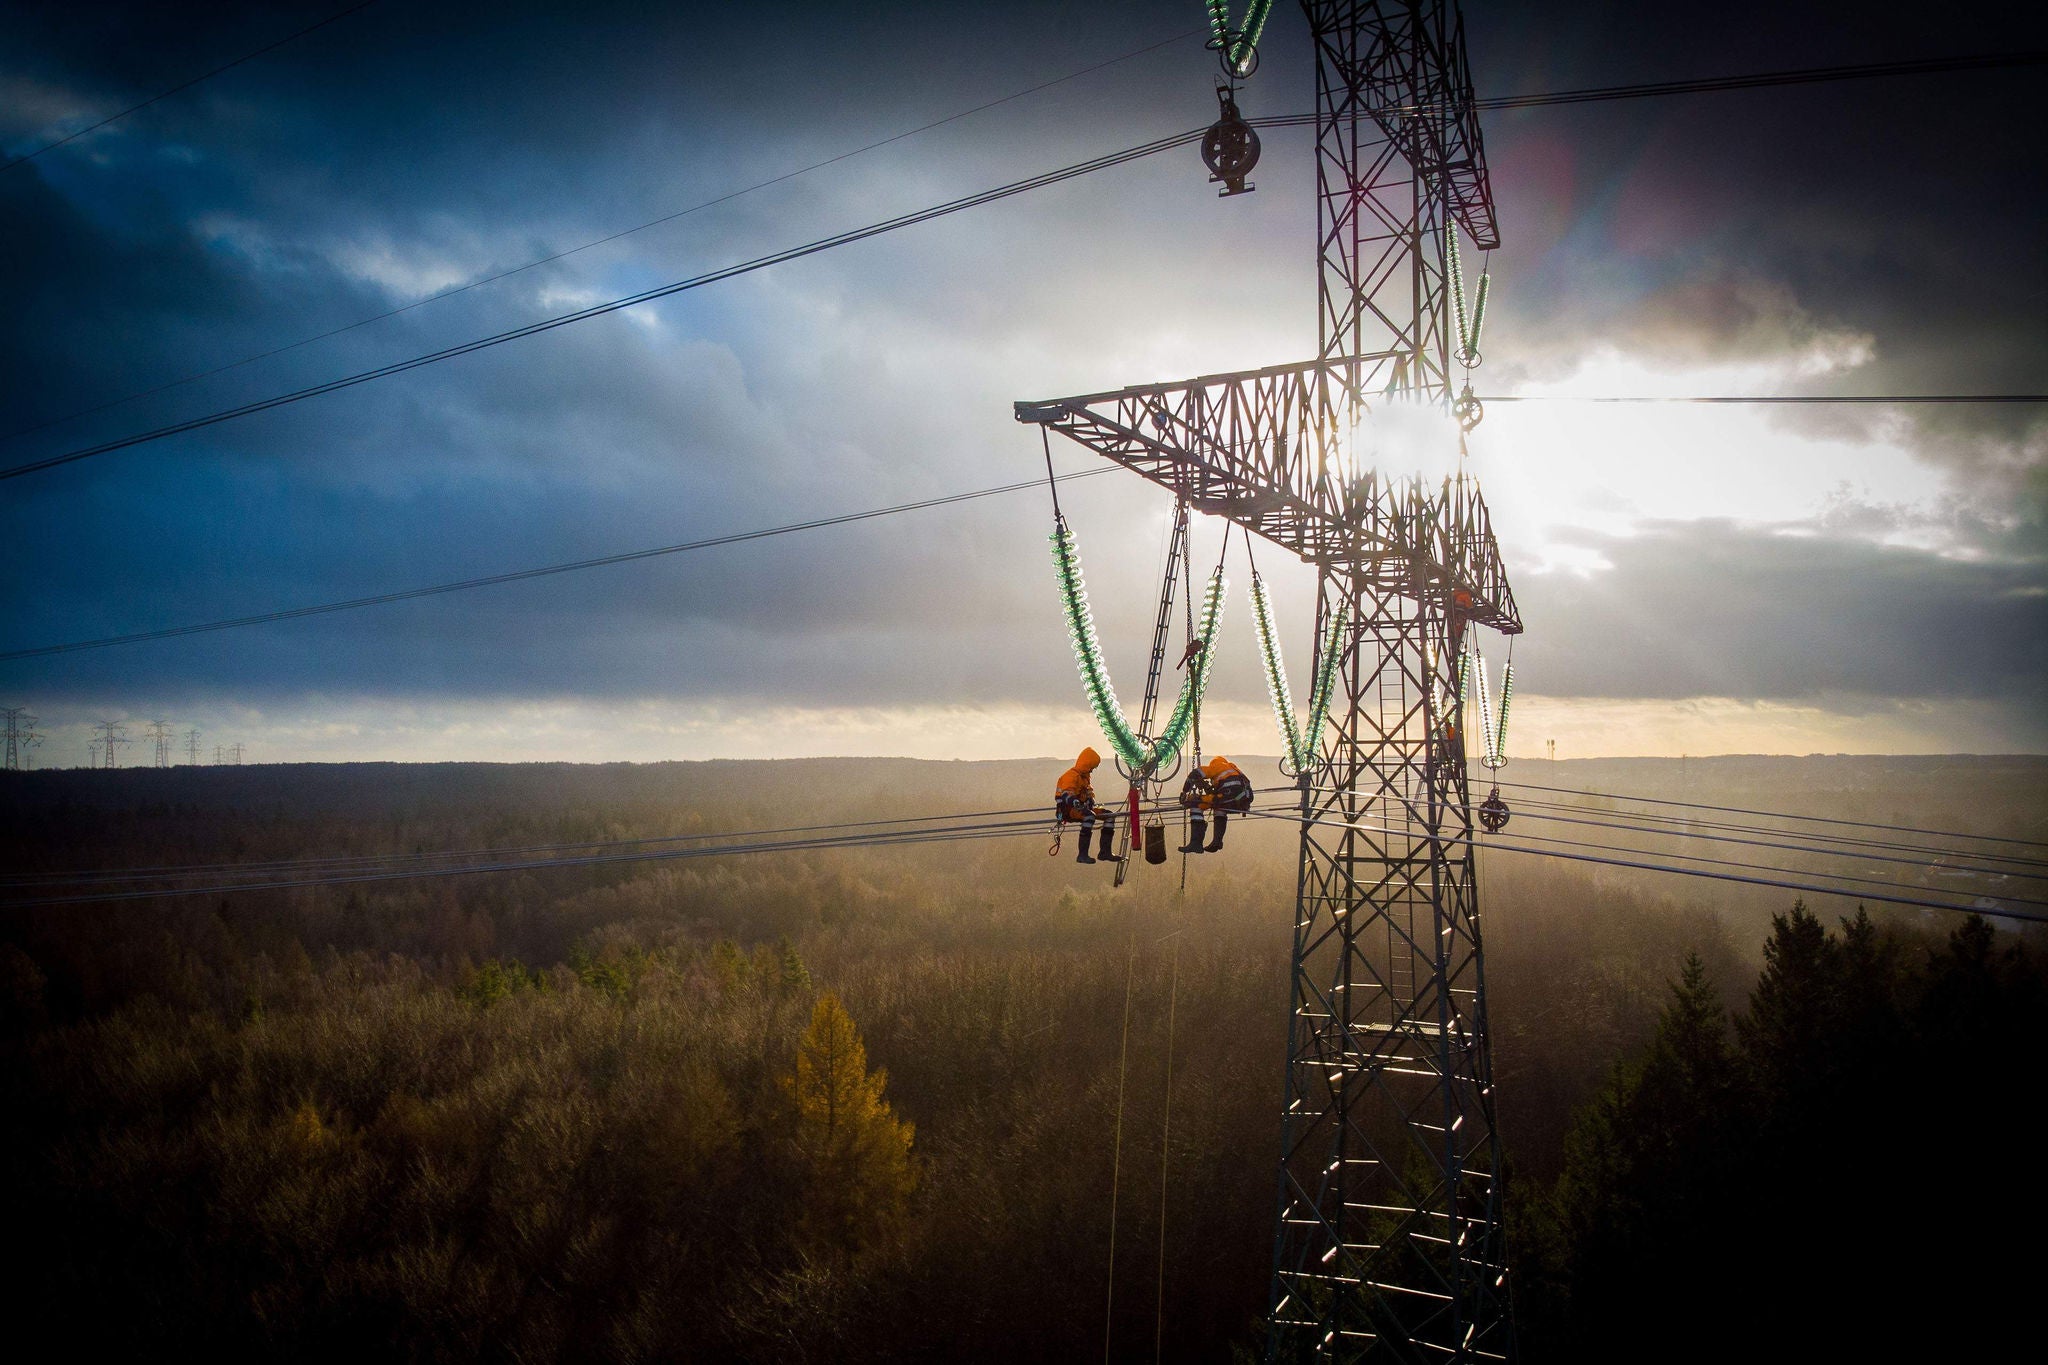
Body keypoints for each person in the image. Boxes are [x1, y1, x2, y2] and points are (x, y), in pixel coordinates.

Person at [1055, 746, 1121, 866]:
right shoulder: (1071, 776)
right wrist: (1075, 802)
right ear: (1087, 765)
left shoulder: (1084, 777)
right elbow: (1066, 793)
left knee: (1110, 815)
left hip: (1082, 808)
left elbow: (1088, 792)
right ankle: (1082, 855)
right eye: (1092, 767)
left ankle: (1105, 852)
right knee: (1089, 817)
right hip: (1068, 810)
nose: (1092, 770)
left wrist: (1090, 800)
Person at [1179, 754, 1252, 853]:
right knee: (1219, 808)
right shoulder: (1234, 769)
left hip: (1227, 797)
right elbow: (1225, 790)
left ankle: (1196, 843)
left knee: (1196, 804)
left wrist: (1184, 791)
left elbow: (1195, 774)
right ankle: (1217, 842)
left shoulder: (1217, 766)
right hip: (1241, 801)